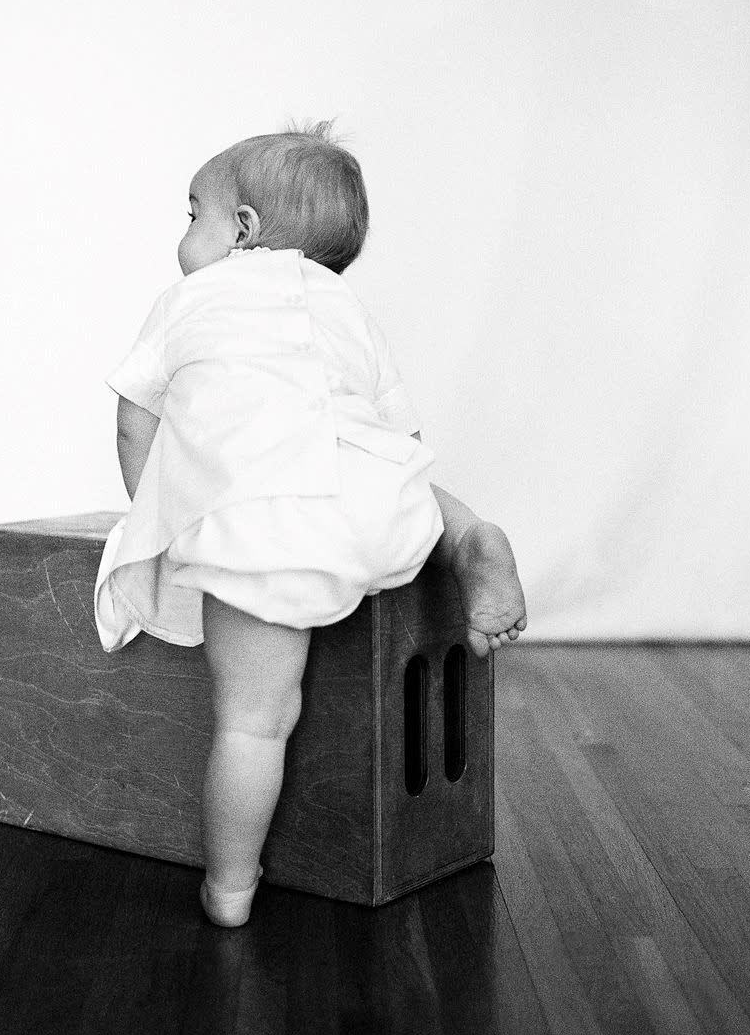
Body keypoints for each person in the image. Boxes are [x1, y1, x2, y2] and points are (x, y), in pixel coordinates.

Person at [95, 123, 526, 926]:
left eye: (193, 214)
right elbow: (403, 437)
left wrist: (156, 515)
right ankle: (470, 538)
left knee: (254, 722)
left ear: (243, 229)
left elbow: (133, 422)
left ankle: (230, 886)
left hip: (265, 525)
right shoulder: (346, 307)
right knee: (401, 478)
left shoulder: (189, 300)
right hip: (377, 507)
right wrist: (401, 505)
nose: (183, 232)